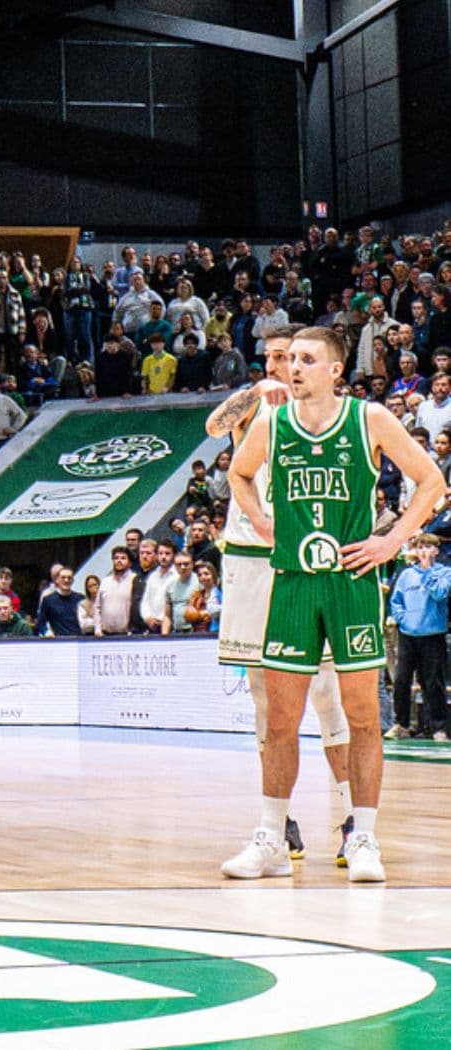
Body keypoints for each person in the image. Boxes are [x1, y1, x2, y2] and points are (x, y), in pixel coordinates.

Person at [226, 325, 443, 884]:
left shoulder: (369, 419)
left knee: (363, 717)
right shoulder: (272, 422)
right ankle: (271, 836)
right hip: (293, 582)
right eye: (289, 358)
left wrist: (390, 541)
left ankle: (364, 836)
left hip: (350, 582)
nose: (292, 367)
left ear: (335, 371)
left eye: (306, 359)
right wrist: (260, 520)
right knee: (280, 721)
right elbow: (239, 474)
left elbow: (431, 481)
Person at [207, 325, 355, 869]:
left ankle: (348, 818)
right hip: (249, 555)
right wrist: (254, 394)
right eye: (272, 356)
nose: (279, 364)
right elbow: (213, 424)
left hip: (303, 556)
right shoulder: (256, 404)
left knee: (326, 694)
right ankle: (278, 824)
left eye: (289, 356)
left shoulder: (325, 412)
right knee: (266, 703)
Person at [387, 533, 451, 740]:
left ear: (436, 551)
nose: (423, 551)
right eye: (420, 547)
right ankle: (402, 724)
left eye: (428, 547)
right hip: (408, 635)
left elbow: (440, 594)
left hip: (433, 635)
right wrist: (403, 618)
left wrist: (429, 570)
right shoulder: (406, 575)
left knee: (433, 683)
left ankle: (438, 726)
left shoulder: (444, 573)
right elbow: (396, 600)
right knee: (401, 681)